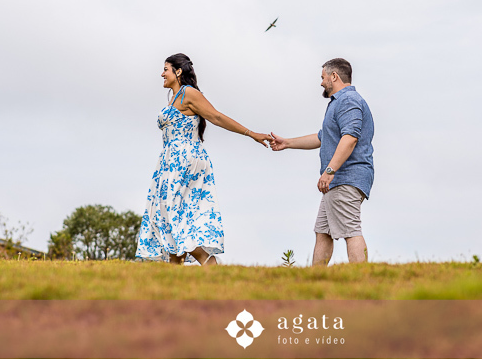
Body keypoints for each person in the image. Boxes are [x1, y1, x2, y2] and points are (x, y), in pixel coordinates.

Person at [135, 53, 271, 266]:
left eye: (166, 69)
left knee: (173, 216)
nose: (161, 73)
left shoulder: (189, 93)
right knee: (170, 216)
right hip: (170, 161)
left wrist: (251, 133)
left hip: (185, 159)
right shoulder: (174, 97)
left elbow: (216, 116)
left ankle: (210, 264)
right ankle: (175, 279)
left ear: (178, 71)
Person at [270, 58, 374, 265]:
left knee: (351, 230)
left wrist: (330, 170)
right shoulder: (338, 103)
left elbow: (350, 138)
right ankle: (315, 280)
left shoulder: (348, 101)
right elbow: (322, 137)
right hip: (337, 180)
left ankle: (363, 278)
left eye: (323, 77)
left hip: (345, 177)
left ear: (334, 76)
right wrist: (287, 143)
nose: (321, 83)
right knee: (323, 232)